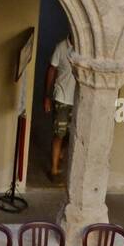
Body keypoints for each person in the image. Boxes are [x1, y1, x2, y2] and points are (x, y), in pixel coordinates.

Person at [44, 31, 75, 181]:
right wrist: (47, 97)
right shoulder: (61, 47)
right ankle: (54, 169)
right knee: (59, 133)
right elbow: (51, 69)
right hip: (62, 98)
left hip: (79, 100)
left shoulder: (85, 48)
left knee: (71, 133)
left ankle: (61, 153)